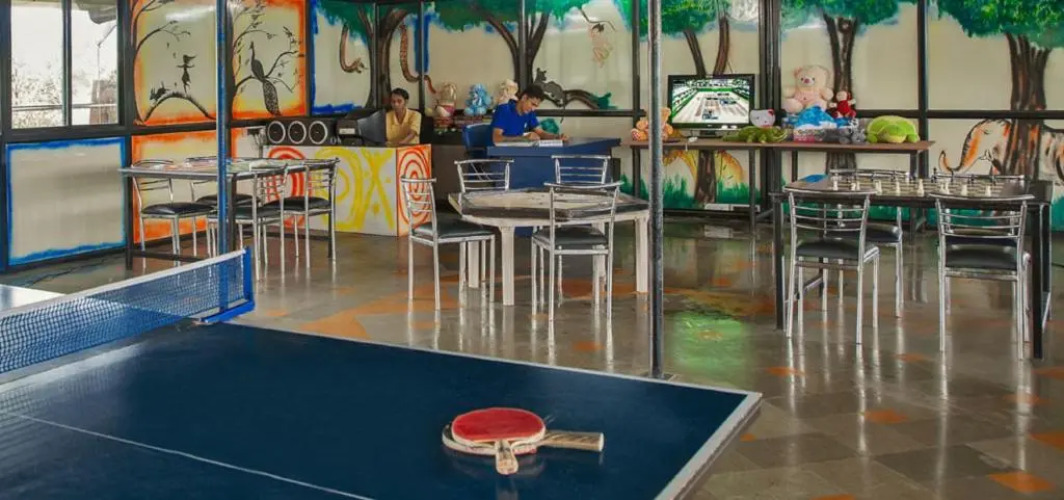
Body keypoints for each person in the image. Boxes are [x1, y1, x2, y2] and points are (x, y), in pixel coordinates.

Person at [490, 85, 568, 144]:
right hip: (496, 156)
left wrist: (556, 137)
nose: (533, 109)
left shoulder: (529, 112)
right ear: (524, 98)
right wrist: (524, 138)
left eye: (536, 106)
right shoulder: (504, 110)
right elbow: (496, 139)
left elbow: (540, 132)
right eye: (532, 104)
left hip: (514, 152)